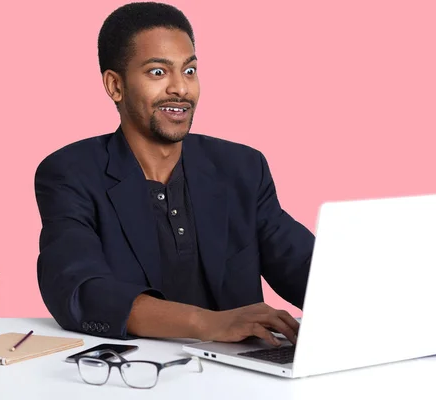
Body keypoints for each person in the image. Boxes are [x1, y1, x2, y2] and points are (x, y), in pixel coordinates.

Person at [34, 1, 315, 347]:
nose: (181, 89)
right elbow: (80, 290)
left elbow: (307, 268)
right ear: (115, 85)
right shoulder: (71, 173)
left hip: (244, 376)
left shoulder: (241, 168)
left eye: (190, 70)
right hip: (132, 376)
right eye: (157, 72)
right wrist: (207, 323)